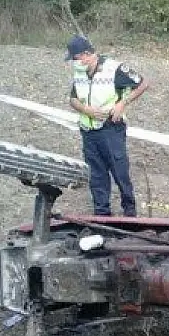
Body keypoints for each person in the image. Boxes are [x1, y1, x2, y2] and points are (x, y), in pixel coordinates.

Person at [65, 34, 149, 217]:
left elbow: (142, 83)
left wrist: (122, 103)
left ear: (86, 54)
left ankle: (129, 211)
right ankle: (102, 214)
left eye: (75, 58)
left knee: (120, 172)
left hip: (111, 129)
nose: (73, 63)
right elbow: (72, 99)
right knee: (96, 175)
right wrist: (85, 109)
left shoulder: (114, 68)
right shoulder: (80, 72)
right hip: (88, 132)